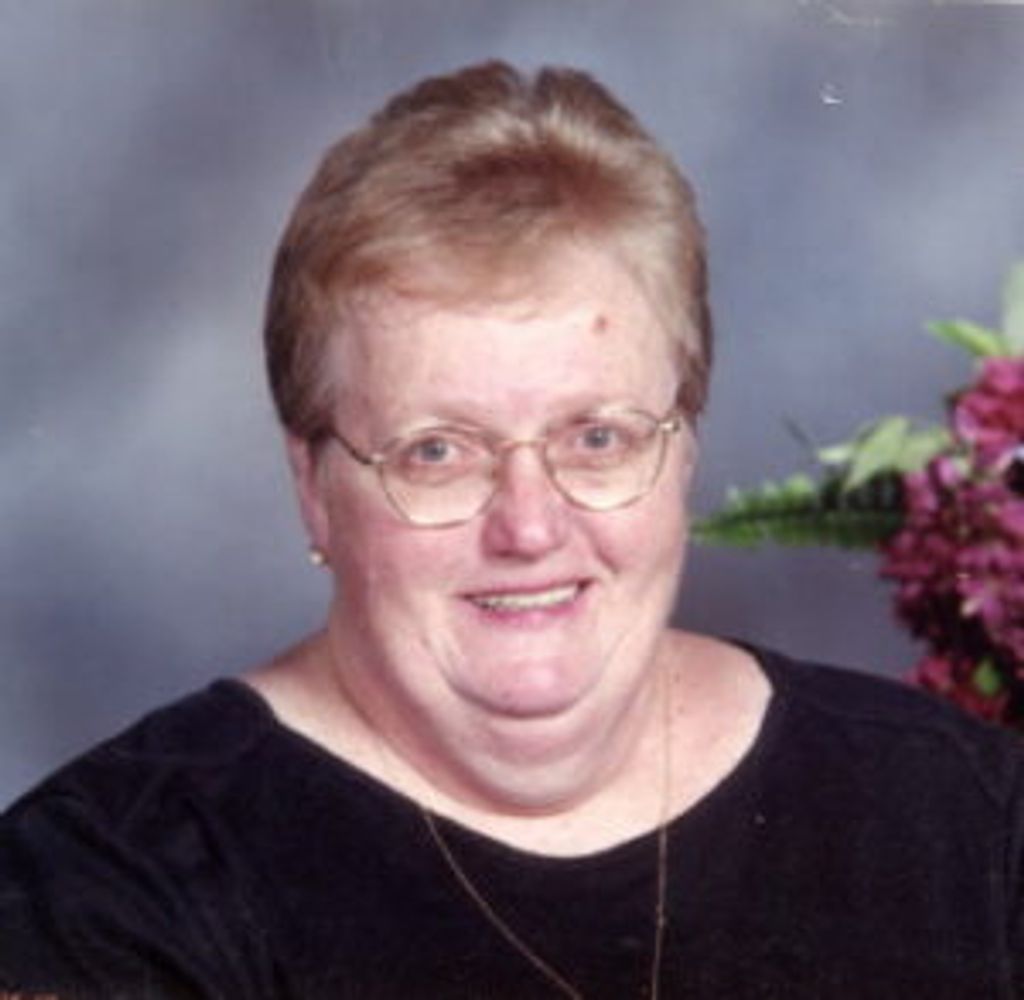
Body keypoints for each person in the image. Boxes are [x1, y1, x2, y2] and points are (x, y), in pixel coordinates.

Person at [1, 60, 1021, 1000]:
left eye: (597, 437)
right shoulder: (100, 886)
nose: (529, 525)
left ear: (684, 449)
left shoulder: (967, 817)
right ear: (312, 484)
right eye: (437, 452)